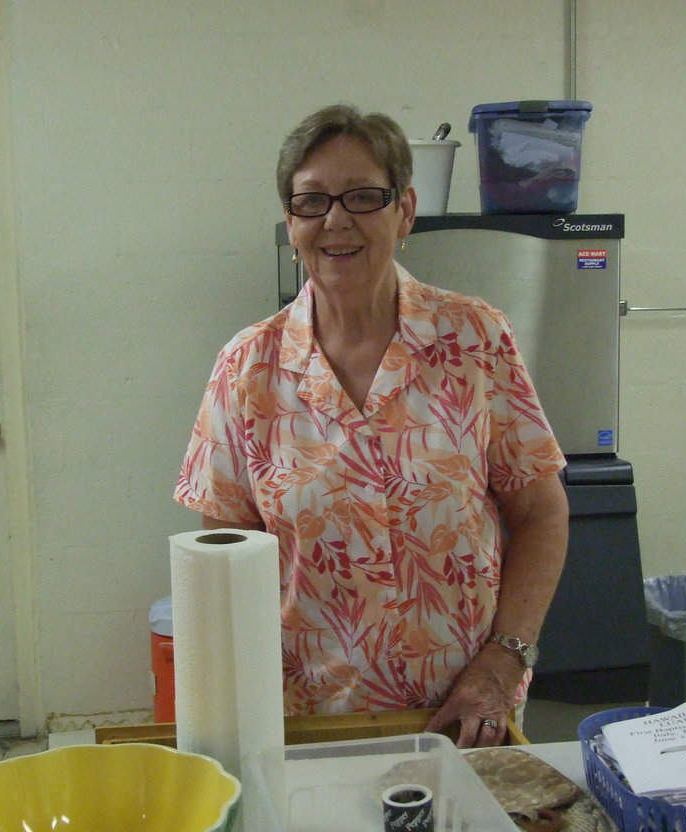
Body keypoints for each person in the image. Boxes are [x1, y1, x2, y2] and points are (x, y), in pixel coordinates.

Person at [175, 103, 569, 748]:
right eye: (312, 201)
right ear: (291, 221)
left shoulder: (474, 340)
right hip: (303, 719)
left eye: (363, 196)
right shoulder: (247, 367)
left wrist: (504, 661)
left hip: (464, 712)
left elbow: (540, 514)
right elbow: (225, 558)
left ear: (404, 212)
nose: (336, 220)